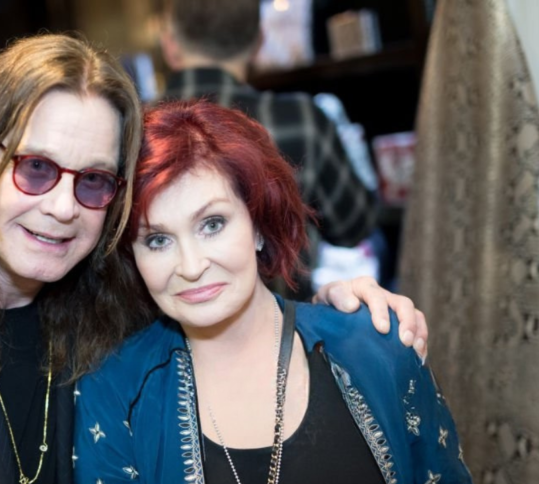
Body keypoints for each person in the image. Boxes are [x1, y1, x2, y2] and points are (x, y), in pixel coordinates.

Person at [0, 34, 426, 484]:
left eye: (93, 180)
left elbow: (231, 301)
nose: (64, 206)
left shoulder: (112, 298)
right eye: (36, 169)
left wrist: (346, 319)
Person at [73, 101, 470, 483]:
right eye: (157, 240)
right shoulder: (114, 392)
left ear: (258, 225)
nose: (191, 267)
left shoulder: (376, 347)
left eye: (212, 224)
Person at [159, 0, 378, 299]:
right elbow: (354, 226)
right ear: (259, 42)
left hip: (161, 333)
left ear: (170, 46)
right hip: (284, 327)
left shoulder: (131, 129)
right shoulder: (302, 119)